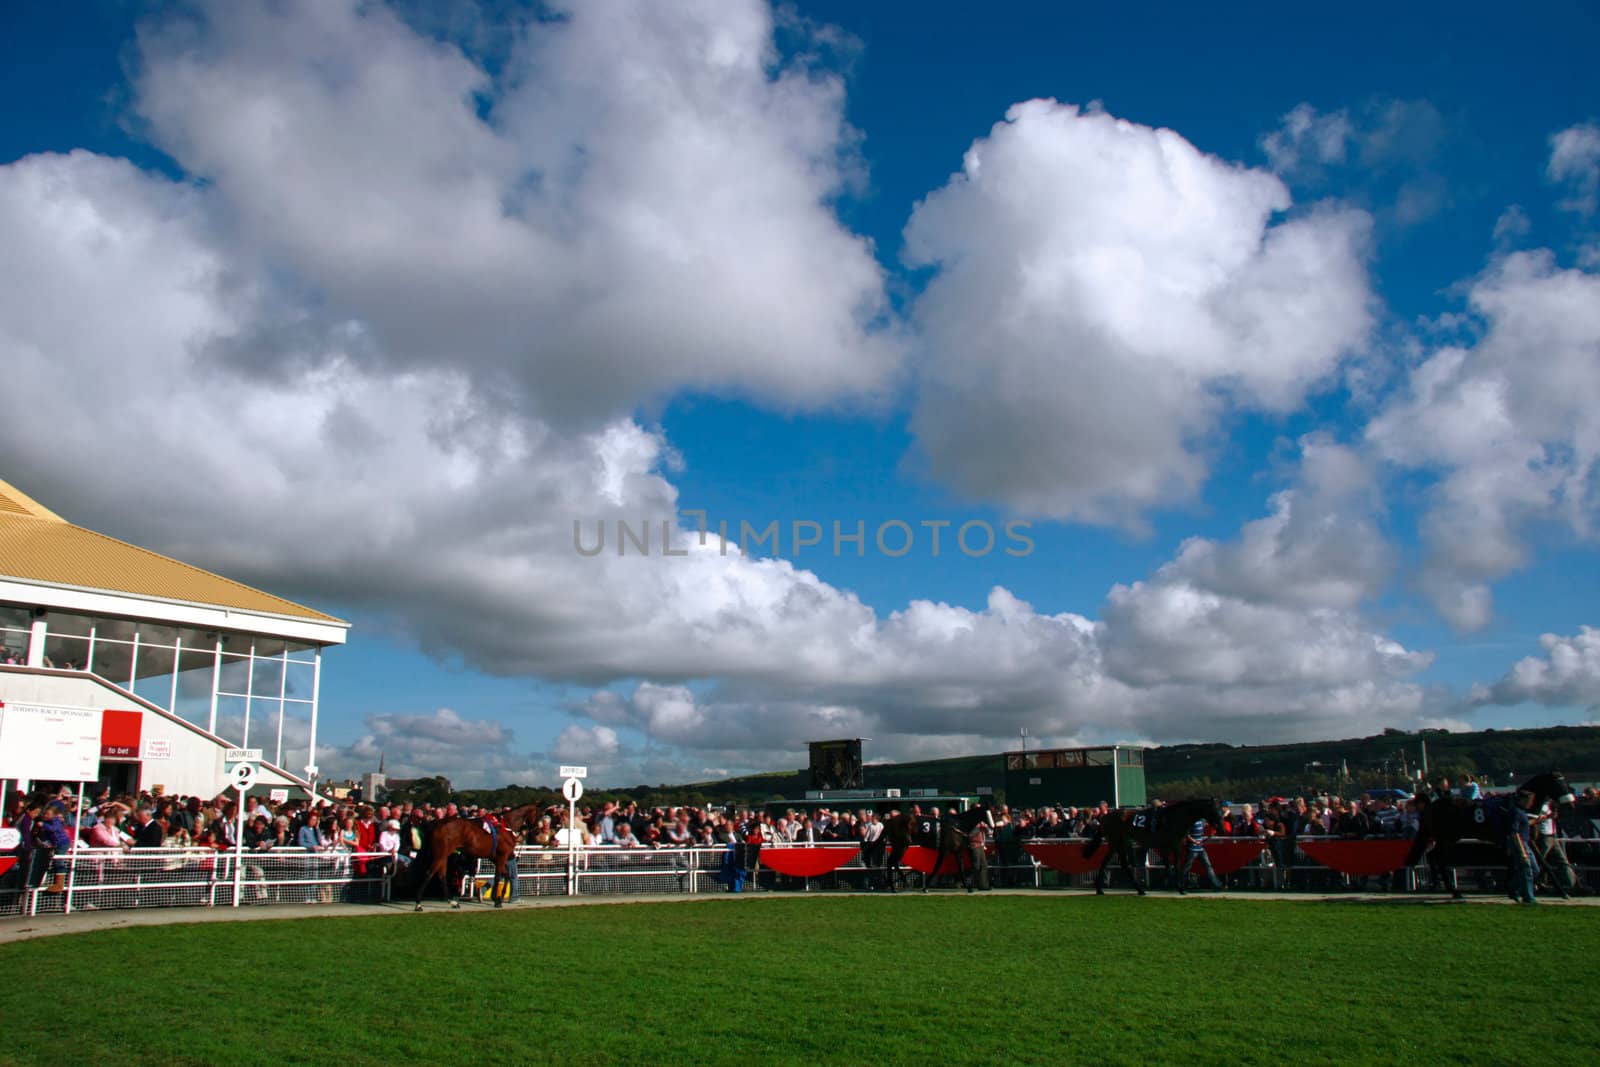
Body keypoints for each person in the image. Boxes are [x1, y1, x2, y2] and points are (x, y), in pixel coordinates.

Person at [1506, 790, 1538, 905]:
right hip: (1520, 844)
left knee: (1534, 870)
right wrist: (1522, 851)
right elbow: (1515, 833)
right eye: (1530, 800)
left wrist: (1537, 820)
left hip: (1525, 843)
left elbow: (1524, 825)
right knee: (1527, 870)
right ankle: (1529, 897)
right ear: (1524, 800)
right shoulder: (1516, 812)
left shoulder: (1522, 812)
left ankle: (1512, 887)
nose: (1531, 803)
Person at [1180, 817, 1223, 893]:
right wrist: (1194, 841)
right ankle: (1182, 884)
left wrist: (1211, 833)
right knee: (1187, 867)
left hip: (1200, 848)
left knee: (1208, 865)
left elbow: (1206, 827)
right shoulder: (1191, 821)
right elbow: (1186, 834)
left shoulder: (1201, 820)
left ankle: (1216, 884)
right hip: (1192, 849)